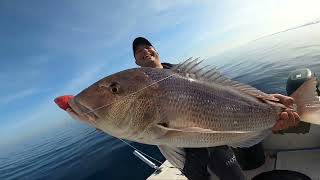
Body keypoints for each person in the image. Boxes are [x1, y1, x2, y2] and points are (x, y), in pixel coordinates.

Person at [131, 37, 300, 180]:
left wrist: (268, 99)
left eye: (147, 47)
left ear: (156, 51)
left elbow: (227, 90)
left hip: (216, 143)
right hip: (188, 159)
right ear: (136, 61)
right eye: (139, 51)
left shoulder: (185, 74)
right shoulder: (137, 91)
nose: (144, 51)